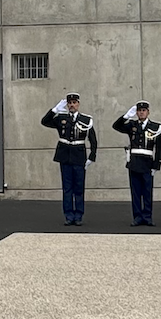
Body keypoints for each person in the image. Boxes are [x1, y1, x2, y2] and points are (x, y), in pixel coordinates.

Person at [40, 93, 97, 225]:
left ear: (78, 104)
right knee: (67, 188)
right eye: (69, 103)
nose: (72, 105)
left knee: (79, 187)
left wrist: (92, 156)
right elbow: (44, 122)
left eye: (74, 102)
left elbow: (93, 140)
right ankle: (68, 215)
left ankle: (78, 215)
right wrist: (54, 110)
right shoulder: (61, 117)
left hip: (79, 156)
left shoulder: (86, 119)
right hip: (65, 156)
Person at [112, 101, 161, 226]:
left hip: (147, 163)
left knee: (147, 191)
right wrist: (126, 116)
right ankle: (137, 217)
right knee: (135, 192)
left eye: (144, 110)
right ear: (136, 113)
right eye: (139, 111)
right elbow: (116, 126)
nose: (141, 112)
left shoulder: (155, 127)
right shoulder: (132, 125)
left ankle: (147, 216)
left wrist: (157, 165)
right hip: (134, 162)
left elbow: (159, 148)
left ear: (148, 112)